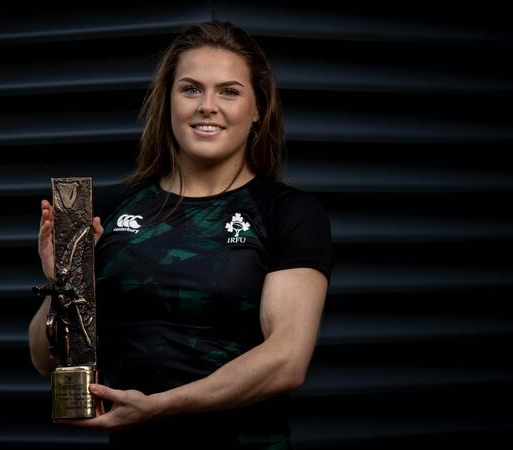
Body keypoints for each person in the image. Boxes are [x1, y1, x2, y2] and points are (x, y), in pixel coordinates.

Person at [30, 21, 333, 449]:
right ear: (168, 102)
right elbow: (46, 363)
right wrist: (64, 283)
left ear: (258, 108)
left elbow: (287, 360)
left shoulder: (289, 213)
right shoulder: (106, 209)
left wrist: (160, 406)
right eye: (191, 89)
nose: (207, 105)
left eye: (229, 91)